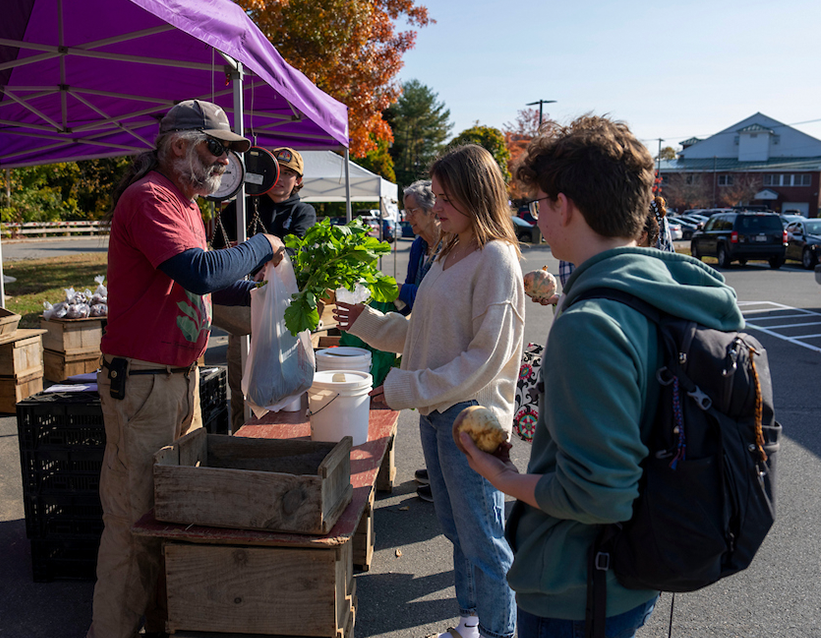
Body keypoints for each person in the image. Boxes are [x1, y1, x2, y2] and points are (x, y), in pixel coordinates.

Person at [458, 115, 745, 638]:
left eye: (538, 204)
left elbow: (598, 496)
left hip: (578, 585)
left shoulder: (590, 324)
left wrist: (499, 476)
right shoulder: (664, 292)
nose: (536, 218)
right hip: (635, 566)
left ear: (563, 205)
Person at [89, 99, 284, 638]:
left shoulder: (187, 205)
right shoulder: (148, 198)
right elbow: (198, 272)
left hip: (178, 379)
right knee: (134, 522)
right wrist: (261, 245)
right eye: (216, 148)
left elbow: (208, 282)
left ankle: (158, 622)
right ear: (179, 146)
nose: (224, 162)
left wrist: (270, 292)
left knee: (174, 506)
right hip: (144, 386)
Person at [334, 144, 523, 638]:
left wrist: (403, 386)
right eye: (435, 197)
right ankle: (470, 623)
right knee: (459, 532)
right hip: (440, 412)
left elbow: (481, 361)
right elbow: (424, 331)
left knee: (484, 539)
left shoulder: (496, 258)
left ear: (476, 196)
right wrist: (368, 323)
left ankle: (499, 632)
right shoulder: (449, 249)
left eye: (445, 198)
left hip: (476, 418)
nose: (434, 208)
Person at [211, 146, 316, 429]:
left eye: (290, 174)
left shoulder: (303, 212)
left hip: (284, 316)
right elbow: (217, 249)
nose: (281, 179)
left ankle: (283, 438)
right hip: (242, 311)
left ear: (299, 180)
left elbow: (297, 251)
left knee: (285, 387)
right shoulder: (242, 207)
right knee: (240, 383)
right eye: (277, 172)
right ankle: (239, 437)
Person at [395, 179, 442, 501]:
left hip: (440, 335)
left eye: (412, 211)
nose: (407, 218)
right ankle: (436, 468)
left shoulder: (448, 247)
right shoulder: (417, 246)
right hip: (420, 330)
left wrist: (393, 289)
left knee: (438, 397)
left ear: (431, 211)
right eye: (406, 211)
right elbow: (414, 298)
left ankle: (441, 476)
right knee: (426, 408)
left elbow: (427, 296)